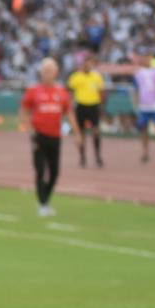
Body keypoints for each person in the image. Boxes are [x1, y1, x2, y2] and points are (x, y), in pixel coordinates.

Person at [20, 57, 77, 216]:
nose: (47, 74)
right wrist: (29, 128)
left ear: (56, 73)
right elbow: (24, 110)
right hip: (39, 136)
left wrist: (77, 132)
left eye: (50, 71)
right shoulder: (34, 91)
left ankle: (45, 198)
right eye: (45, 71)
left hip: (55, 136)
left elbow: (69, 112)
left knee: (54, 172)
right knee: (39, 170)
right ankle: (43, 203)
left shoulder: (61, 92)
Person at [67, 54, 104, 168]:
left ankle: (97, 156)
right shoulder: (75, 77)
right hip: (81, 106)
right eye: (85, 63)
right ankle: (82, 157)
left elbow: (101, 92)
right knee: (81, 133)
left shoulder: (97, 76)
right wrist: (70, 106)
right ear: (82, 64)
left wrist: (101, 105)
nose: (87, 65)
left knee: (96, 131)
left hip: (93, 106)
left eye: (89, 63)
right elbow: (70, 92)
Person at [130, 54, 155, 164]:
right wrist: (136, 104)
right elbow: (135, 89)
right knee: (144, 130)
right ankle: (145, 153)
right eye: (144, 58)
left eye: (148, 59)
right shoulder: (138, 73)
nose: (147, 60)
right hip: (144, 106)